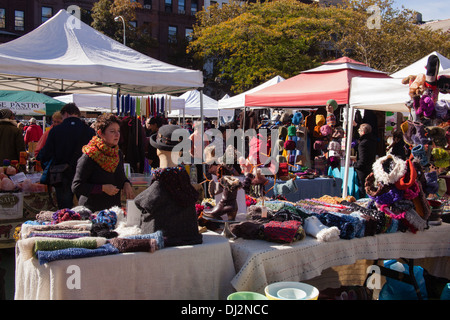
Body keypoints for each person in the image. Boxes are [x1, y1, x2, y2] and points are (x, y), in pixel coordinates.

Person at [134, 124, 203, 247]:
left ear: (158, 150)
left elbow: (143, 201)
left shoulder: (162, 183)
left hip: (161, 240)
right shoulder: (183, 183)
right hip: (188, 237)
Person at [72, 114, 135, 212]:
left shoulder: (117, 153)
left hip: (113, 209)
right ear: (100, 133)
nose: (117, 135)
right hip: (91, 210)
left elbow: (120, 176)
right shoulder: (89, 156)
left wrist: (126, 183)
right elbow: (76, 186)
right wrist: (102, 188)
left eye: (118, 131)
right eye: (112, 131)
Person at [38, 103, 95, 209]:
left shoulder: (55, 131)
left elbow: (45, 154)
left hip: (62, 176)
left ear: (66, 114)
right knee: (86, 209)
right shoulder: (89, 131)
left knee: (64, 211)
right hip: (84, 175)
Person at [354, 123, 377, 198]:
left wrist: (355, 165)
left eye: (359, 130)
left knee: (362, 189)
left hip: (362, 170)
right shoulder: (373, 141)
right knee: (369, 188)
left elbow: (362, 160)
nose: (359, 132)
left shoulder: (363, 143)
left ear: (363, 132)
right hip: (370, 167)